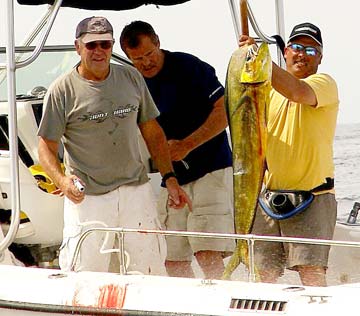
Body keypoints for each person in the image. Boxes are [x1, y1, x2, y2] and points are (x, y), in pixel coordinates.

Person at [37, 16, 191, 275]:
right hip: (88, 199)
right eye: (91, 45)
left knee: (149, 269)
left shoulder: (131, 76)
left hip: (136, 191)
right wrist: (62, 181)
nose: (99, 51)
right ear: (78, 47)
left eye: (105, 45)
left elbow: (152, 131)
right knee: (86, 273)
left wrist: (170, 177)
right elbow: (45, 146)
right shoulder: (61, 90)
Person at [120, 21, 235, 279]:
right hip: (172, 177)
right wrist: (168, 174)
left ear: (158, 42)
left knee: (206, 251)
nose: (146, 63)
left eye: (149, 54)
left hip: (212, 168)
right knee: (170, 257)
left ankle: (218, 302)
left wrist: (187, 144)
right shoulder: (134, 83)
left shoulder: (190, 67)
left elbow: (225, 111)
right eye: (137, 59)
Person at [239, 22, 339, 286]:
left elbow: (298, 92)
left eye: (310, 49)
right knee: (264, 278)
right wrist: (247, 64)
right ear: (285, 51)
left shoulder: (324, 83)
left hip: (313, 198)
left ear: (320, 58)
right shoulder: (267, 90)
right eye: (296, 47)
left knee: (312, 274)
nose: (301, 54)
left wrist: (260, 60)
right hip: (267, 200)